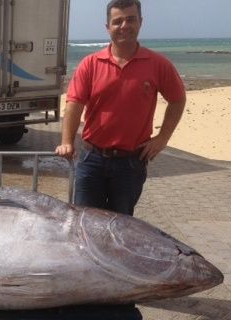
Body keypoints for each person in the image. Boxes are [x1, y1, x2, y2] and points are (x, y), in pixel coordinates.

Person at [55, 0, 186, 216]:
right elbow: (74, 104)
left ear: (140, 22)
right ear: (108, 27)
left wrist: (162, 139)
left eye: (131, 19)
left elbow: (178, 99)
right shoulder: (90, 64)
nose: (124, 25)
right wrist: (66, 142)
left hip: (131, 164)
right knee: (85, 223)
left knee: (121, 227)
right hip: (92, 161)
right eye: (117, 21)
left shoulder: (158, 64)